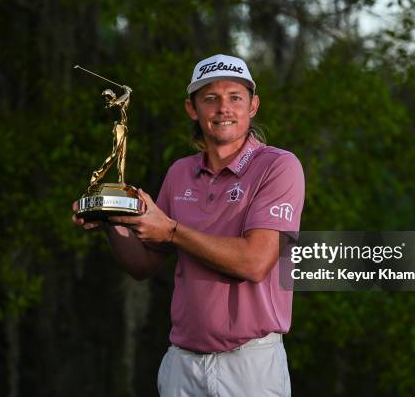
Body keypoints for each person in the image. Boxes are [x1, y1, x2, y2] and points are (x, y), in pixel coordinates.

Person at [73, 54, 305, 397]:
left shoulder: (278, 166)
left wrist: (170, 230)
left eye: (235, 97)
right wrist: (113, 221)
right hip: (182, 363)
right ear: (192, 109)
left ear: (253, 106)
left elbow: (255, 262)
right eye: (210, 98)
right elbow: (143, 264)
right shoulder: (180, 172)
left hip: (250, 366)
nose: (223, 108)